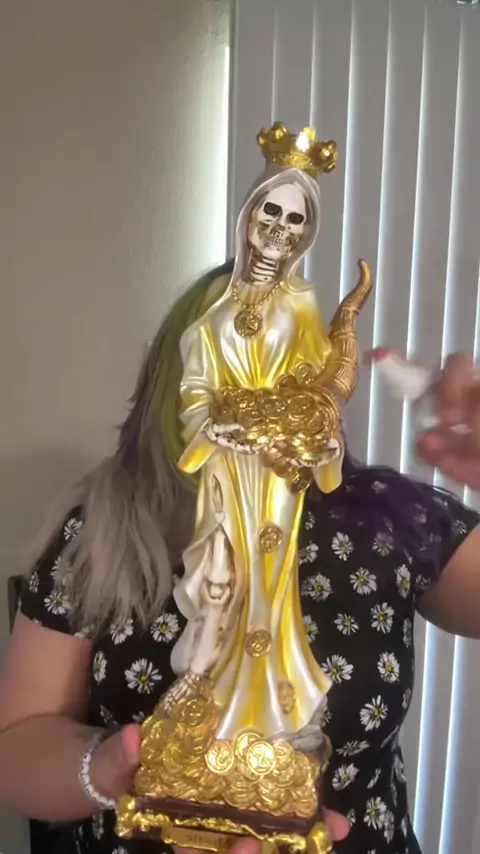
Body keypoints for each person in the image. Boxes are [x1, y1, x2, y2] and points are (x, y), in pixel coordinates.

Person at [1, 122, 480, 852]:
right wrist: (113, 767)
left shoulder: (396, 521)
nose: (278, 231)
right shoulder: (96, 531)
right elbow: (19, 745)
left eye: (295, 220)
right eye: (270, 213)